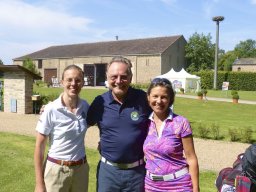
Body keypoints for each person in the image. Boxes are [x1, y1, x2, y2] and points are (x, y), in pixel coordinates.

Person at [87, 56, 151, 192]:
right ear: (107, 77)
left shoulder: (143, 99)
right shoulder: (100, 102)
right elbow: (78, 122)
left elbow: (162, 117)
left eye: (123, 76)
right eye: (114, 76)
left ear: (131, 77)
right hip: (108, 173)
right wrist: (55, 107)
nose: (118, 81)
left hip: (137, 174)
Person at [34, 65, 90, 192]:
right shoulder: (51, 109)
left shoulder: (86, 107)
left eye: (78, 80)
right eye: (69, 80)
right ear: (62, 82)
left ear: (82, 83)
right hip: (56, 171)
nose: (73, 84)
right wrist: (39, 183)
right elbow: (39, 146)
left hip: (81, 170)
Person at [143, 78, 200, 192]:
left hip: (178, 185)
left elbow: (191, 158)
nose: (159, 101)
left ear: (170, 100)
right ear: (148, 97)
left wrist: (196, 188)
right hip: (151, 186)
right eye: (155, 96)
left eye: (164, 97)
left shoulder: (181, 122)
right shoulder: (144, 123)